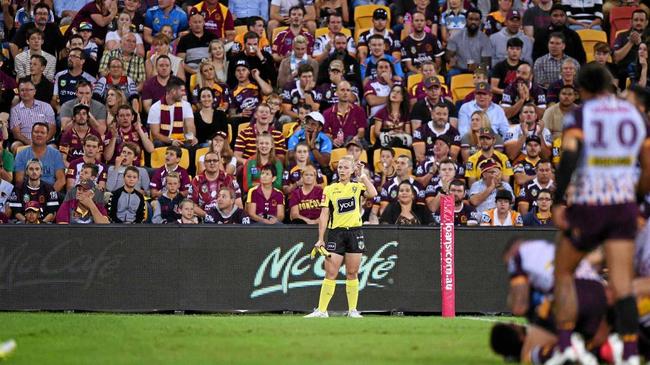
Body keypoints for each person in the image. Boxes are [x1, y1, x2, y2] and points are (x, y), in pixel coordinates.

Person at [549, 63, 650, 364]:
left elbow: (569, 156)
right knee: (622, 284)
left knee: (563, 271)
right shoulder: (636, 116)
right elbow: (648, 166)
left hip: (590, 204)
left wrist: (557, 201)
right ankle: (631, 354)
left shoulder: (581, 115)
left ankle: (566, 345)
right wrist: (635, 196)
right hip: (622, 207)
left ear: (582, 89)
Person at [305, 155, 378, 318]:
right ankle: (322, 310)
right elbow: (324, 214)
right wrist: (321, 238)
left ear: (352, 170)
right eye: (340, 167)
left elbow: (373, 193)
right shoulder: (329, 189)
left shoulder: (357, 186)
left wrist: (363, 175)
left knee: (352, 272)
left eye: (346, 167)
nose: (342, 170)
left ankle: (352, 310)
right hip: (336, 233)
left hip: (355, 232)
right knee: (330, 272)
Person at [13, 123, 65, 192]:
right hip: (28, 194)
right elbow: (19, 181)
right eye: (36, 132)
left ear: (47, 136)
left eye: (42, 132)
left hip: (50, 193)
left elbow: (61, 180)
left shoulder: (56, 154)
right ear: (31, 134)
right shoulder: (21, 155)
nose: (39, 134)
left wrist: (50, 195)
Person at [189, 151, 242, 218]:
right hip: (204, 220)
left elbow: (238, 203)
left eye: (215, 161)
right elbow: (191, 205)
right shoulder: (196, 180)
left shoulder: (229, 179)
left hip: (227, 219)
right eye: (208, 161)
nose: (212, 163)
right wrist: (207, 216)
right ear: (204, 163)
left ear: (219, 163)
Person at [148, 77, 198, 147]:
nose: (184, 93)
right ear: (173, 91)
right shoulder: (155, 108)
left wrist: (191, 137)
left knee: (191, 144)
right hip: (164, 142)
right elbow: (155, 134)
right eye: (182, 91)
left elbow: (190, 125)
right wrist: (171, 141)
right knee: (157, 143)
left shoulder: (186, 105)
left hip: (181, 141)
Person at [10, 79, 57, 153]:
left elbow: (52, 129)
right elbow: (17, 134)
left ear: (34, 91)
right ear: (19, 92)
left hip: (45, 141)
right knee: (15, 146)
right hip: (24, 142)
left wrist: (42, 142)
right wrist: (31, 143)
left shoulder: (46, 106)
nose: (25, 92)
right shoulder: (15, 110)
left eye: (28, 90)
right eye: (22, 90)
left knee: (53, 148)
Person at [6, 158, 58, 223]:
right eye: (31, 169)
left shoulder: (49, 188)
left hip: (43, 223)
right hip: (24, 223)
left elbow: (51, 212)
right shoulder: (18, 188)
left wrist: (40, 224)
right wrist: (28, 223)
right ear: (26, 172)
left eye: (37, 169)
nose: (34, 172)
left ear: (41, 171)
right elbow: (16, 212)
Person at [446, 9, 492, 80]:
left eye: (476, 20)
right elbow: (448, 56)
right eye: (470, 19)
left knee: (489, 73)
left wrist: (477, 67)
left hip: (478, 69)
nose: (473, 22)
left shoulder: (485, 39)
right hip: (459, 69)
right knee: (451, 73)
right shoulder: (455, 36)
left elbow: (486, 63)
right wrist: (451, 59)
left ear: (480, 22)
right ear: (465, 20)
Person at [322, 80, 367, 148]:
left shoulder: (359, 110)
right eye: (342, 90)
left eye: (348, 90)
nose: (345, 93)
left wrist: (353, 141)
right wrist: (333, 140)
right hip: (334, 147)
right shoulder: (327, 113)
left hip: (353, 145)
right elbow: (326, 133)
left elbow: (361, 131)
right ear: (336, 92)